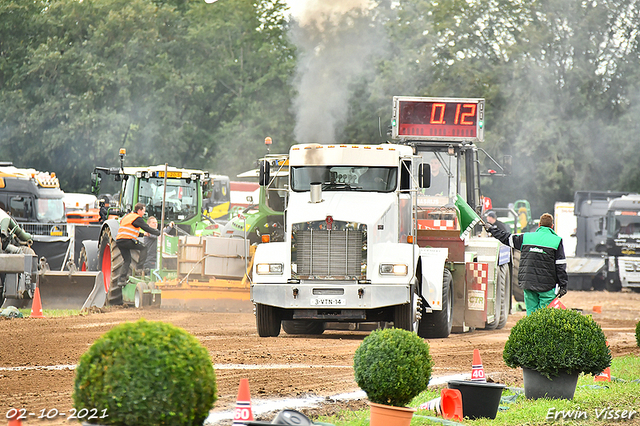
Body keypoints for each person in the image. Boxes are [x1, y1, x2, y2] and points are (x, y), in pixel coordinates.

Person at [484, 212, 568, 315]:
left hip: (528, 283)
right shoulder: (556, 241)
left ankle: (531, 330)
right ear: (552, 226)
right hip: (547, 285)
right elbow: (560, 265)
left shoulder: (526, 238)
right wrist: (563, 285)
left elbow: (507, 238)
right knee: (545, 316)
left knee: (531, 315)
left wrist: (492, 229)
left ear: (539, 225)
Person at [115, 203, 160, 285]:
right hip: (127, 240)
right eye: (143, 211)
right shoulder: (137, 218)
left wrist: (143, 234)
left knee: (127, 261)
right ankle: (139, 268)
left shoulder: (128, 216)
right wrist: (158, 233)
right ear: (139, 210)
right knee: (144, 248)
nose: (144, 213)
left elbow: (131, 231)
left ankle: (121, 280)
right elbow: (147, 228)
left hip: (119, 240)